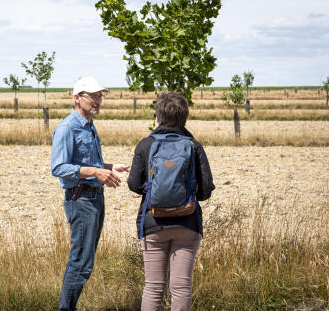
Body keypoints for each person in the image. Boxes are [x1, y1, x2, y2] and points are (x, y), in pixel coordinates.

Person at [127, 92, 215, 311]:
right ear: (185, 117)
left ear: (158, 116)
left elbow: (133, 184)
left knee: (153, 288)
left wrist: (155, 192)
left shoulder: (146, 145)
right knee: (181, 287)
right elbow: (205, 191)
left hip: (153, 223)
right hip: (187, 223)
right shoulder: (194, 145)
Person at [51, 76, 130, 311]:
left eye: (100, 96)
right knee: (81, 262)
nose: (97, 101)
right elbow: (59, 167)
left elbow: (87, 162)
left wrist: (108, 168)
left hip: (94, 198)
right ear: (77, 98)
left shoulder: (89, 125)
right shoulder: (68, 127)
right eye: (92, 96)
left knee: (85, 261)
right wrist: (96, 172)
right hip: (81, 199)